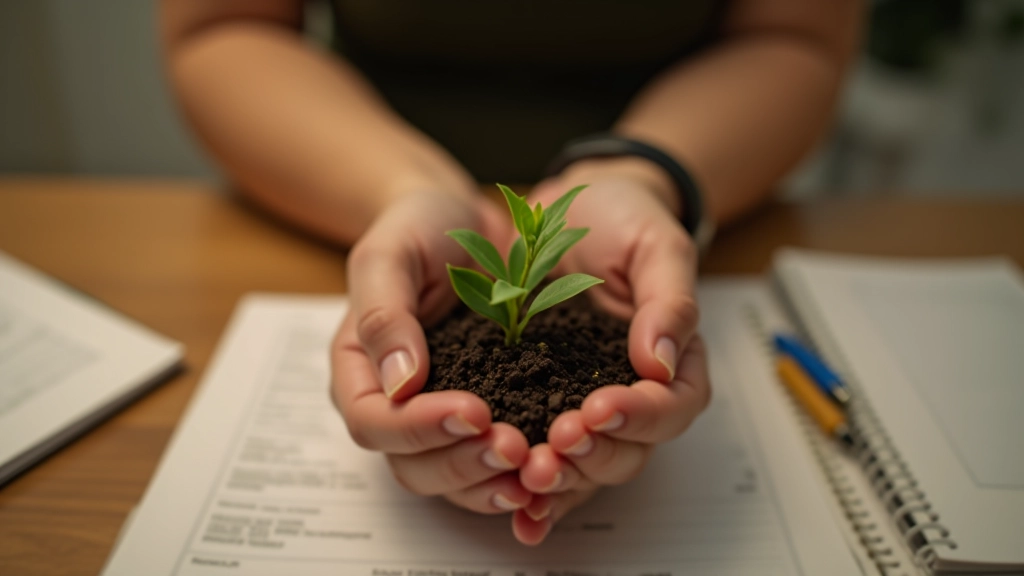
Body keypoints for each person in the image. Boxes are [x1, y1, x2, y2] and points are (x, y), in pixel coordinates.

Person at [161, 0, 862, 545]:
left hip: (700, 154)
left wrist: (644, 178)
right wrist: (404, 190)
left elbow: (794, 37)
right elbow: (225, 27)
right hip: (354, 150)